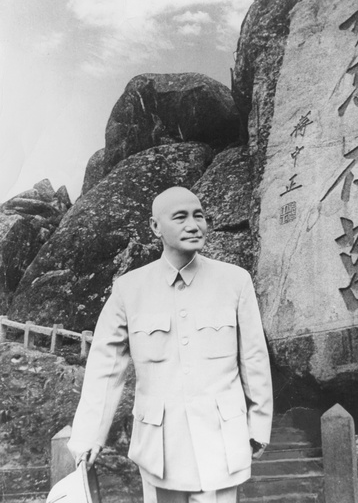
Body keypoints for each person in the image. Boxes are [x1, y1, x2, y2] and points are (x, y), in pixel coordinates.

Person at [68, 186, 273, 503]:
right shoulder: (129, 289)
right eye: (180, 217)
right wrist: (87, 436)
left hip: (219, 442)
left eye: (199, 216)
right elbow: (105, 368)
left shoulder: (235, 281)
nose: (193, 225)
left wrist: (258, 427)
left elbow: (254, 359)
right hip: (159, 448)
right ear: (155, 227)